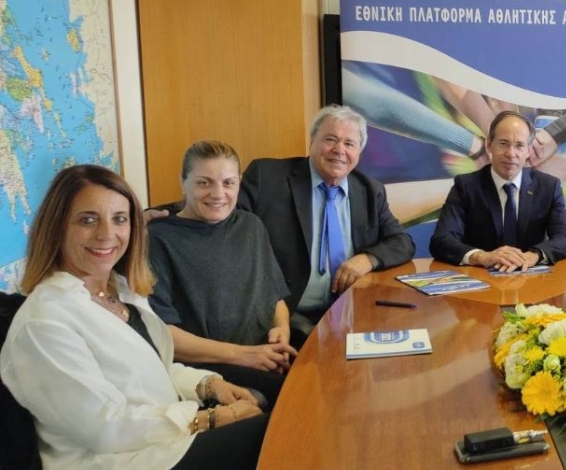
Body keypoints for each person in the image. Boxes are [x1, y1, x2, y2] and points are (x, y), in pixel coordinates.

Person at [0, 165, 266, 470]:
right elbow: (104, 426)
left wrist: (206, 385)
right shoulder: (43, 322)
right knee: (274, 436)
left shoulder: (120, 290)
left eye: (119, 219)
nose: (106, 234)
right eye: (88, 220)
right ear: (57, 228)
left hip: (155, 440)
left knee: (271, 408)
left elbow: (151, 371)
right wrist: (208, 419)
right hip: (115, 460)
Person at [237, 105, 415, 344]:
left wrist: (367, 259)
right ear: (312, 140)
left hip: (349, 314)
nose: (339, 150)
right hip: (284, 317)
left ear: (359, 152)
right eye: (330, 139)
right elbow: (228, 225)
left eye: (349, 143)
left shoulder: (370, 191)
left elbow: (402, 242)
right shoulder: (267, 177)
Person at [148, 140, 296, 407]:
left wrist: (281, 328)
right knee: (298, 399)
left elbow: (274, 297)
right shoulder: (157, 240)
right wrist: (246, 355)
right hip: (209, 369)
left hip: (264, 356)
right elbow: (164, 335)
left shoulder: (251, 226)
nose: (218, 194)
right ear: (183, 183)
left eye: (228, 183)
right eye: (204, 183)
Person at [430, 111, 566, 271]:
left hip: (530, 278)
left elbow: (565, 239)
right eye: (503, 143)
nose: (511, 154)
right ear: (489, 145)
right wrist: (482, 256)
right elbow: (441, 240)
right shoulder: (465, 186)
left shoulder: (548, 186)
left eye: (519, 145)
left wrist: (533, 256)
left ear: (528, 150)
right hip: (482, 278)